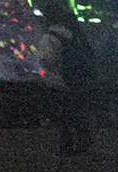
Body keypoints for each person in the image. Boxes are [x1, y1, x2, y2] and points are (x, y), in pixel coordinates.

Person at [38, 10, 97, 156]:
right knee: (77, 111)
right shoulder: (73, 35)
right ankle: (83, 140)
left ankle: (66, 145)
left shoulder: (49, 37)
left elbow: (48, 59)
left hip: (57, 80)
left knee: (62, 116)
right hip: (76, 79)